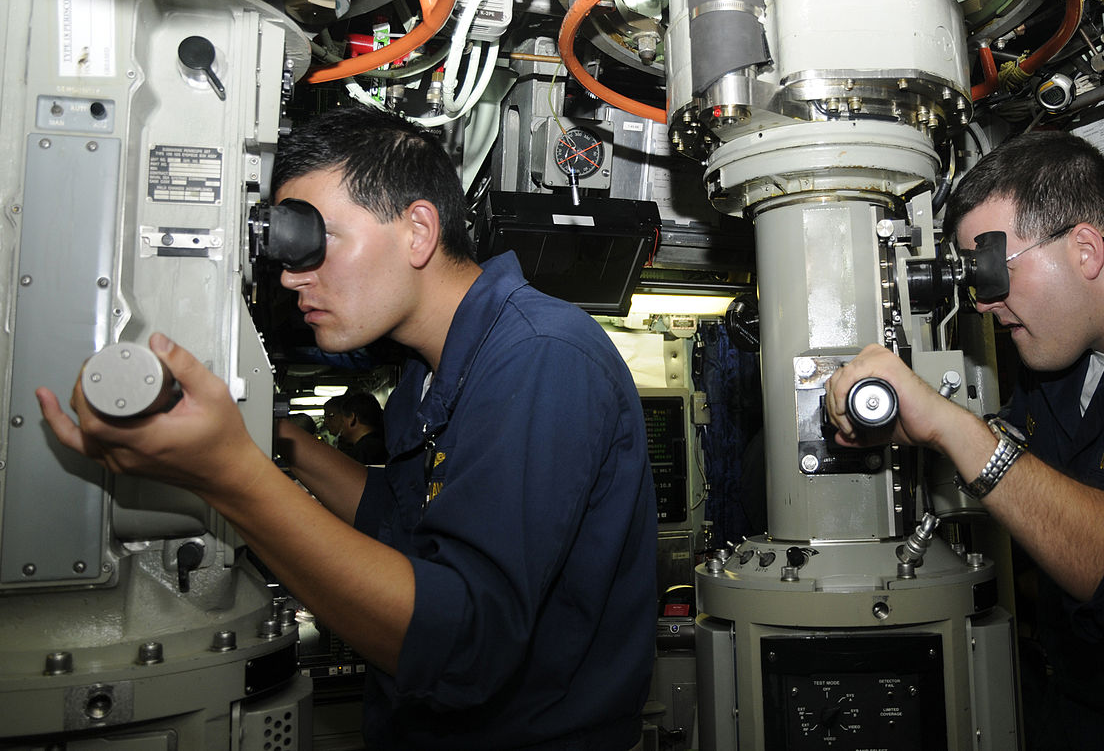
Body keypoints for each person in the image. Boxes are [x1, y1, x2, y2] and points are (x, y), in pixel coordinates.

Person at [36, 103, 657, 750]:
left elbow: (461, 645)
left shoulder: (540, 356)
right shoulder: (427, 368)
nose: (290, 275)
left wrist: (228, 476)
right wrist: (280, 442)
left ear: (418, 230)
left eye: (314, 240)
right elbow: (398, 518)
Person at [824, 130, 1104, 750]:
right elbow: (1035, 481)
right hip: (1074, 706)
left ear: (1085, 249)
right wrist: (921, 435)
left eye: (993, 271)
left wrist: (955, 427)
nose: (984, 304)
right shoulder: (1060, 352)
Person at [327, 391, 388, 465]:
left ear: (352, 419)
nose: (342, 426)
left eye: (343, 421)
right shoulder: (384, 445)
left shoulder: (361, 453)